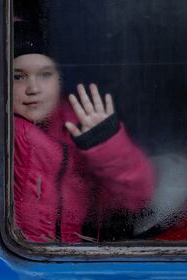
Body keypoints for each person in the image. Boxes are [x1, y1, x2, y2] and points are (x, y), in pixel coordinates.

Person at [13, 22, 155, 243]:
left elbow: (135, 199)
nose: (33, 88)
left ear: (60, 80)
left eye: (45, 74)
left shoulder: (80, 126)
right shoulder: (0, 133)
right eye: (18, 77)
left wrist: (105, 145)